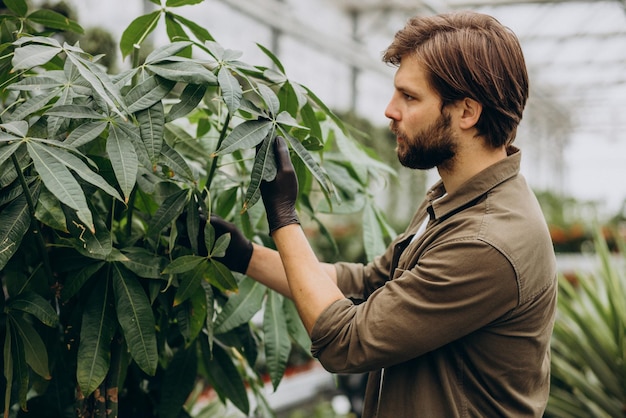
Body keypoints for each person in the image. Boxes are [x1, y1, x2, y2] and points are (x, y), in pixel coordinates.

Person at [209, 10, 557, 417]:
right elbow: (367, 284)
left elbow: (345, 342)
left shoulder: (486, 241)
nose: (390, 111)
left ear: (467, 112)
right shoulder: (454, 200)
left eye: (409, 97)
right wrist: (242, 255)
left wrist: (283, 217)